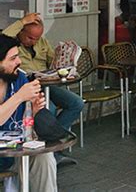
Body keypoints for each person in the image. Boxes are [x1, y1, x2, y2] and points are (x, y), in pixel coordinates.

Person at [3, 13, 84, 165]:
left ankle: (54, 145)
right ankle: (51, 152)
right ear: (20, 32)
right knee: (48, 109)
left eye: (37, 38)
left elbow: (53, 62)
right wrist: (22, 22)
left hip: (47, 82)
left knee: (76, 103)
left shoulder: (42, 42)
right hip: (27, 85)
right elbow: (3, 37)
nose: (33, 42)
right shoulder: (11, 46)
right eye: (30, 38)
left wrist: (65, 59)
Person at [0, 34, 57, 191]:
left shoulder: (19, 79)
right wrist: (19, 97)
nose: (19, 62)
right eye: (12, 59)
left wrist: (35, 110)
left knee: (44, 157)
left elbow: (28, 121)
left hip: (16, 152)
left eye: (18, 56)